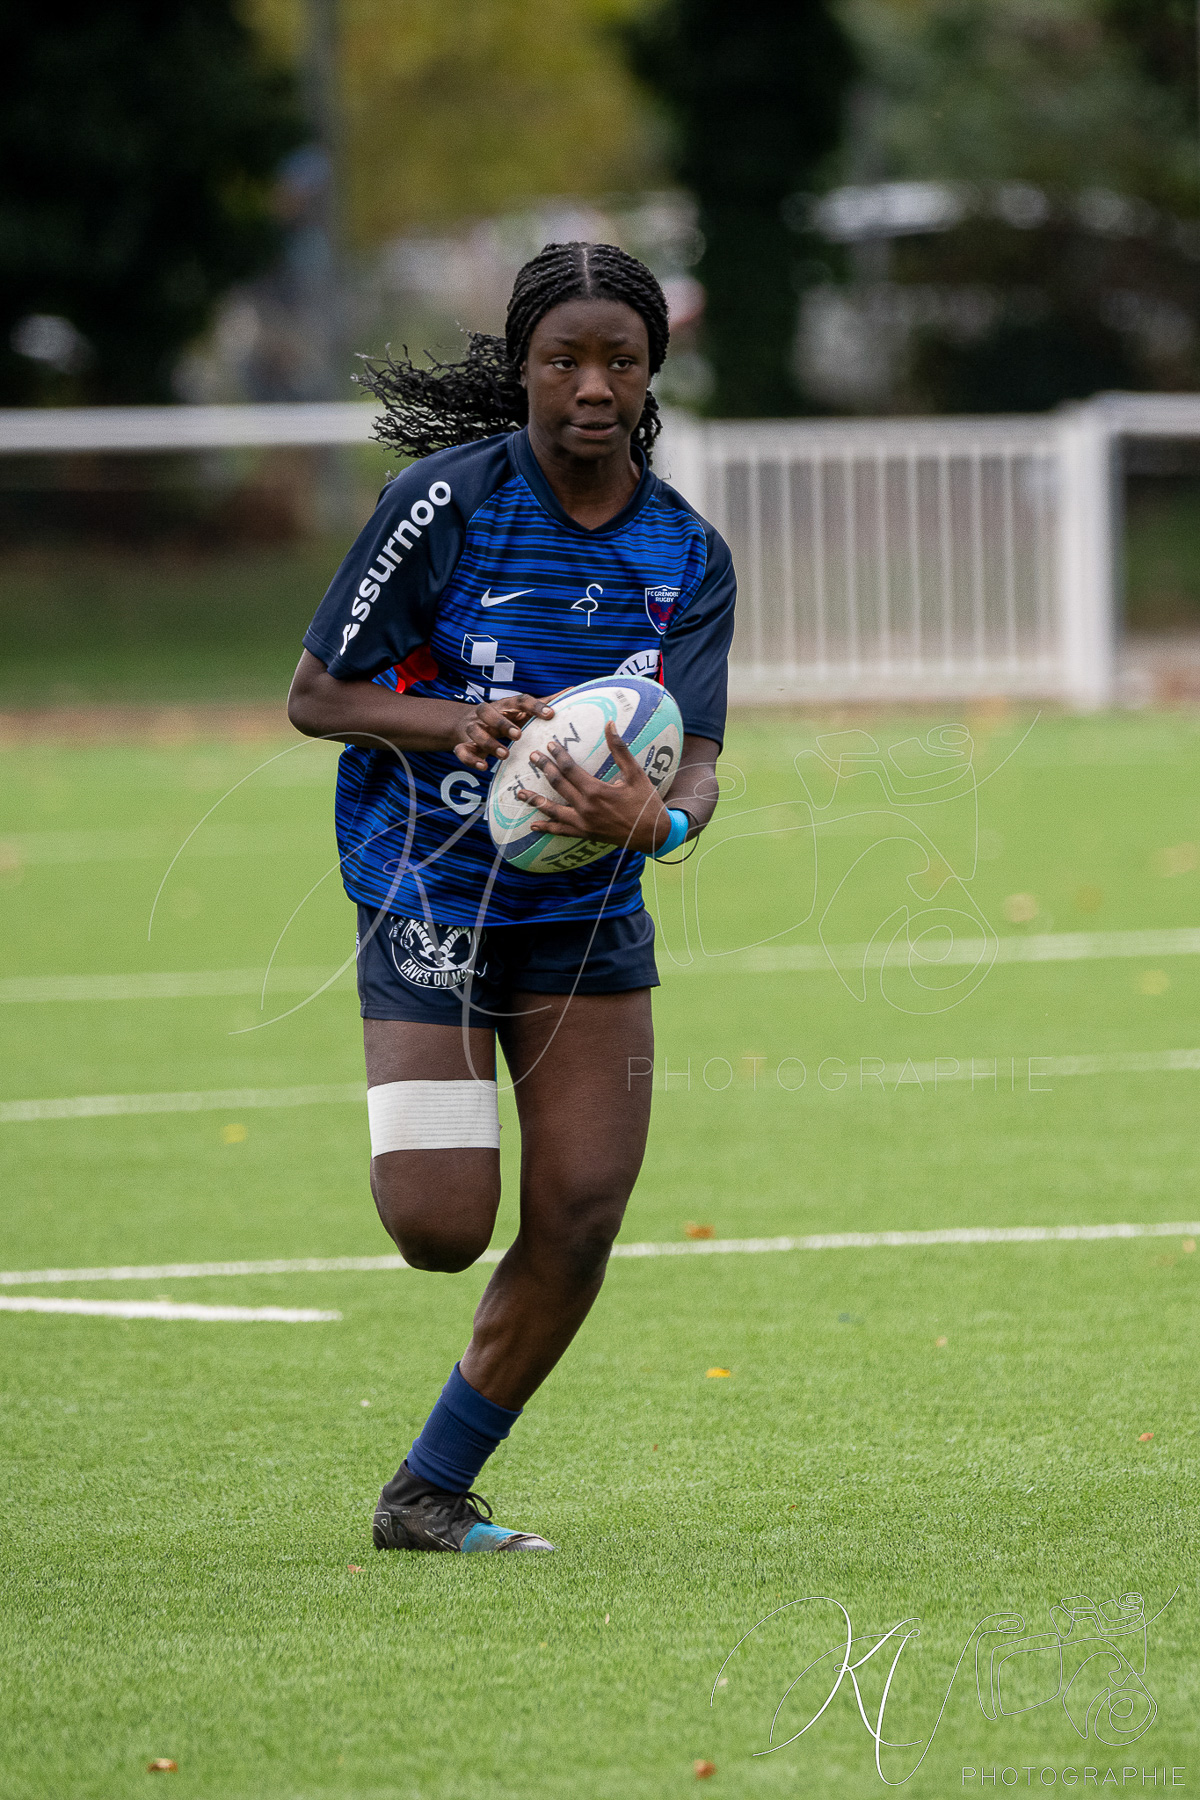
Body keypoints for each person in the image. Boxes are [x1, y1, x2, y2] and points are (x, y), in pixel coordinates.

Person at [288, 241, 736, 1553]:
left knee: (585, 1209)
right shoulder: (446, 503)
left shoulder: (685, 553)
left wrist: (657, 821)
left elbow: (700, 758)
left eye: (620, 360)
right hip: (424, 891)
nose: (593, 386)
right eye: (564, 360)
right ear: (522, 369)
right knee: (439, 1227)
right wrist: (458, 727)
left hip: (586, 913)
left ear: (652, 373)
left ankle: (427, 1494)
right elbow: (318, 696)